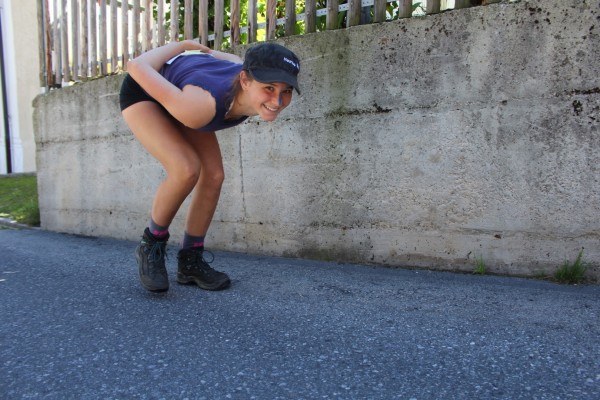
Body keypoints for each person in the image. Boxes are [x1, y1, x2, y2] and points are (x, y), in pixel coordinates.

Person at [119, 40, 301, 293]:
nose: (278, 100)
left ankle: (190, 261)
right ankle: (150, 245)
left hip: (184, 91)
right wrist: (182, 46)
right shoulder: (201, 106)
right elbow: (136, 66)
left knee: (214, 176)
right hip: (145, 91)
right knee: (185, 169)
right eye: (269, 88)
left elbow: (227, 57)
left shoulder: (239, 73)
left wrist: (208, 52)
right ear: (245, 80)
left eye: (287, 90)